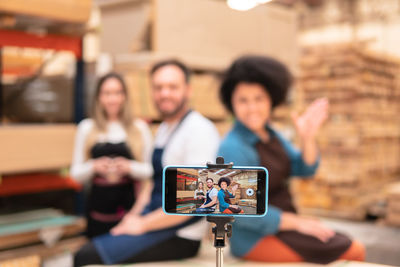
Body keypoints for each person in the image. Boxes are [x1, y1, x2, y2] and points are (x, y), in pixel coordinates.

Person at [218, 55, 365, 264]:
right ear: (232, 103)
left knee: (347, 244)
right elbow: (239, 210)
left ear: (271, 100)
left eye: (259, 98)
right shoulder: (232, 146)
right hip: (254, 237)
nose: (252, 108)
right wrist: (296, 223)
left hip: (285, 225)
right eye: (243, 100)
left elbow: (304, 167)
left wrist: (308, 138)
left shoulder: (271, 134)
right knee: (353, 251)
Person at [74, 59, 220, 266]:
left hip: (180, 233)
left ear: (188, 90)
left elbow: (195, 203)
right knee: (91, 248)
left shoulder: (199, 130)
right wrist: (131, 218)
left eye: (172, 87)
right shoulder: (164, 129)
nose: (165, 93)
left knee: (86, 257)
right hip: (152, 219)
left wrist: (141, 225)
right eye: (159, 87)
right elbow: (152, 182)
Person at [70, 72, 153, 238]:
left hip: (131, 212)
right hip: (97, 211)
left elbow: (151, 171)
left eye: (117, 93)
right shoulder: (86, 128)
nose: (112, 99)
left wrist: (129, 167)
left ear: (125, 96)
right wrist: (94, 166)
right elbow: (75, 174)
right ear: (98, 97)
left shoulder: (139, 128)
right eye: (107, 93)